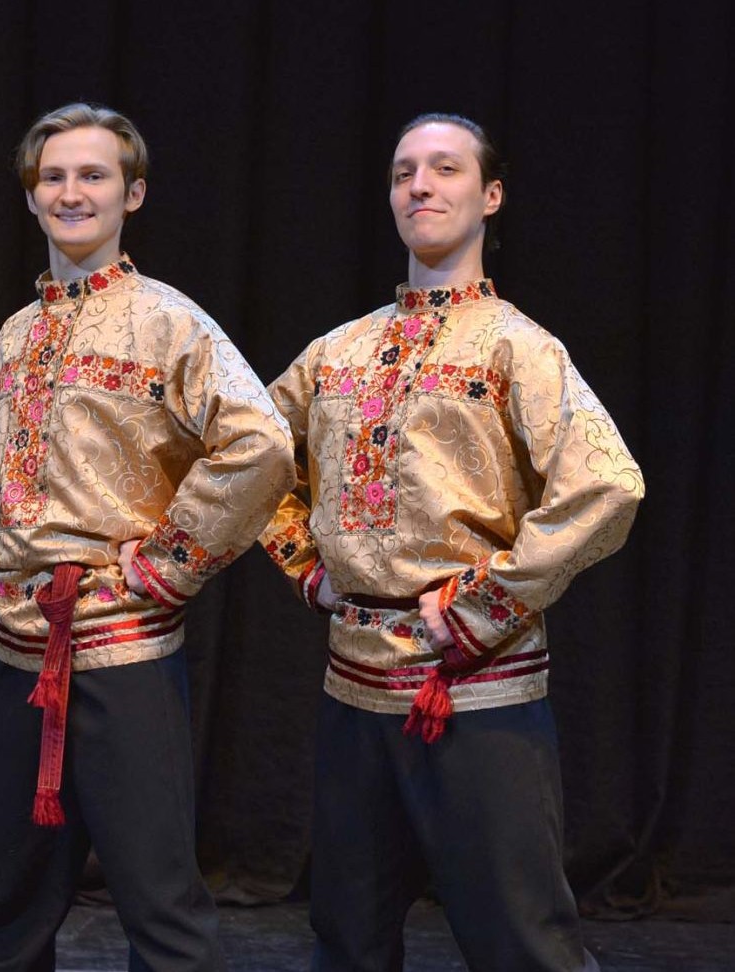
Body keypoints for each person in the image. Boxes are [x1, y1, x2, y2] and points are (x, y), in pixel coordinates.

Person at [259, 112, 645, 972]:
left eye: (445, 169)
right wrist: (306, 566)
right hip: (354, 685)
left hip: (473, 690)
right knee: (348, 938)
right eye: (404, 172)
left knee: (519, 941)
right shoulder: (338, 351)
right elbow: (250, 457)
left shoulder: (518, 346)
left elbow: (607, 485)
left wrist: (485, 602)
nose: (421, 186)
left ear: (490, 195)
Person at [0, 102, 292, 972]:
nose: (72, 193)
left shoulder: (170, 322)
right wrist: (4, 520)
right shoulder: (16, 336)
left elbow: (260, 444)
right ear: (32, 196)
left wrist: (175, 559)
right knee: (10, 899)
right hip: (18, 648)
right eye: (54, 177)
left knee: (158, 900)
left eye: (93, 175)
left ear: (131, 193)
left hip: (121, 647)